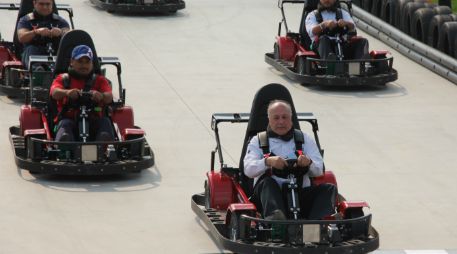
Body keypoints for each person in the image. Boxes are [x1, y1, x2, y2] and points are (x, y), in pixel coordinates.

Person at [243, 100, 336, 221]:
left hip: (300, 194)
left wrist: (309, 163)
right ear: (269, 119)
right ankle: (276, 222)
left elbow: (319, 170)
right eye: (276, 118)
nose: (281, 121)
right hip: (269, 198)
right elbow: (248, 170)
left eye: (284, 117)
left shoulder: (304, 139)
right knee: (267, 183)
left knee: (329, 188)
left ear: (291, 118)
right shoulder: (258, 141)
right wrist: (267, 162)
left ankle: (317, 225)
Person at [49, 45, 114, 142]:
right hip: (70, 120)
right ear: (72, 62)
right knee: (65, 126)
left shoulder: (100, 80)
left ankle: (104, 147)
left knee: (105, 122)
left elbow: (109, 97)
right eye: (80, 62)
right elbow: (54, 92)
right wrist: (67, 92)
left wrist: (101, 96)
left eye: (87, 62)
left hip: (94, 120)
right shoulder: (63, 79)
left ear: (92, 64)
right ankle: (65, 149)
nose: (84, 65)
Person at [17, 0, 70, 68]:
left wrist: (61, 32)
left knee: (67, 50)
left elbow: (70, 35)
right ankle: (37, 72)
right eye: (41, 4)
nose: (45, 7)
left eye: (48, 4)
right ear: (34, 3)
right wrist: (36, 32)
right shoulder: (25, 20)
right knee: (31, 49)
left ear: (52, 5)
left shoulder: (60, 21)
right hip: (33, 53)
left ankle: (64, 71)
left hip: (55, 53)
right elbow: (21, 37)